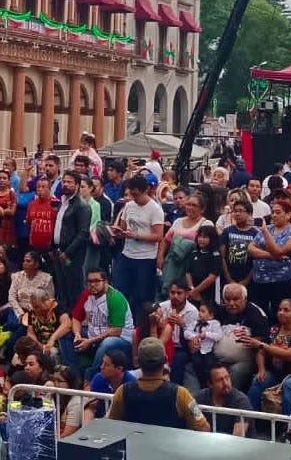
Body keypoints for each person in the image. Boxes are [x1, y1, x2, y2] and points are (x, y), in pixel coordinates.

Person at [107, 337, 210, 431]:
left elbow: (111, 426)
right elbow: (203, 428)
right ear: (165, 360)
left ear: (138, 361)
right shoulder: (181, 394)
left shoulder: (122, 392)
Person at [243, 298, 291, 413]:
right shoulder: (274, 330)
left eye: (286, 310)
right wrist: (261, 369)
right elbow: (261, 352)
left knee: (290, 385)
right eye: (279, 309)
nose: (281, 312)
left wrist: (263, 346)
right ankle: (249, 421)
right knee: (259, 380)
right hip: (277, 373)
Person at [69, 269, 135, 382]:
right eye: (89, 282)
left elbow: (116, 331)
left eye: (96, 281)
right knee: (66, 336)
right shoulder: (86, 294)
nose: (92, 285)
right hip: (94, 334)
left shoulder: (115, 298)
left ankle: (89, 378)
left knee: (107, 343)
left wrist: (90, 341)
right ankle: (71, 374)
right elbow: (76, 318)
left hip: (121, 340)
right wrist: (77, 334)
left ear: (105, 282)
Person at [112, 175, 164, 314]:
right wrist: (118, 232)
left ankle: (140, 325)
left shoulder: (155, 209)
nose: (134, 198)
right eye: (131, 194)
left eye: (136, 195)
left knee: (141, 296)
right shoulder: (129, 206)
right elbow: (123, 227)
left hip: (145, 258)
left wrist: (136, 235)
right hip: (127, 253)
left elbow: (158, 235)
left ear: (145, 191)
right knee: (120, 290)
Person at [248, 198, 291, 320]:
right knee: (259, 313)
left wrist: (265, 233)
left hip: (280, 281)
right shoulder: (269, 228)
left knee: (278, 314)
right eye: (273, 212)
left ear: (288, 215)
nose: (274, 215)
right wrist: (270, 255)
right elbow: (250, 248)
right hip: (259, 279)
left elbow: (279, 251)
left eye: (278, 212)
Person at [214, 283, 270, 390]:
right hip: (218, 360)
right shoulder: (220, 311)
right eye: (227, 299)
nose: (231, 303)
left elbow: (263, 343)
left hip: (245, 361)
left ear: (244, 299)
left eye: (236, 299)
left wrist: (252, 341)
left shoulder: (256, 314)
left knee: (235, 372)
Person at [53, 171, 91, 309]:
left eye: (70, 182)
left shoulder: (81, 206)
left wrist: (67, 252)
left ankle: (76, 319)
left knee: (74, 287)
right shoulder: (62, 202)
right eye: (64, 181)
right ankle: (65, 319)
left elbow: (83, 234)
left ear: (77, 185)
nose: (66, 184)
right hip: (58, 251)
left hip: (71, 254)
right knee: (61, 287)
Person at [195, 364, 252, 436]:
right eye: (219, 380)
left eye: (227, 378)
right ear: (210, 384)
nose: (225, 383)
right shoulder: (199, 399)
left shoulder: (241, 401)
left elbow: (237, 438)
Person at [221, 198, 261, 288]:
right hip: (229, 278)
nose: (237, 214)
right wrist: (229, 279)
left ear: (249, 214)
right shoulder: (227, 231)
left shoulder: (256, 234)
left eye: (241, 211)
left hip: (249, 280)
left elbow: (257, 260)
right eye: (235, 211)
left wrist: (246, 281)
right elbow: (222, 257)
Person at [189, 301, 224, 388]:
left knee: (208, 366)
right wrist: (194, 336)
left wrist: (207, 334)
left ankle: (208, 383)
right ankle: (201, 382)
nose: (199, 313)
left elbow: (219, 336)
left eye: (203, 311)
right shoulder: (196, 323)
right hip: (197, 350)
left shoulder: (215, 323)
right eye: (199, 311)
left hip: (208, 351)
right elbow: (186, 332)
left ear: (211, 315)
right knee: (196, 362)